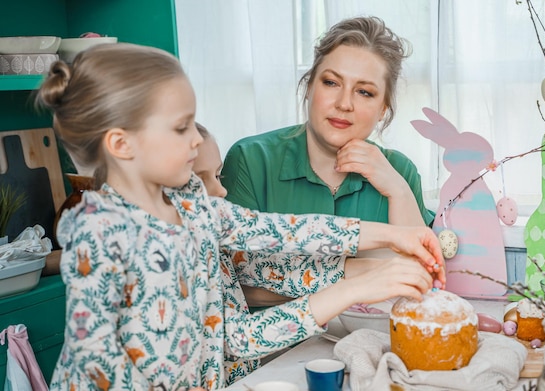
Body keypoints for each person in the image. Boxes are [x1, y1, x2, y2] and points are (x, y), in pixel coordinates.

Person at [37, 42, 444, 390]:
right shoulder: (99, 233)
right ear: (122, 144)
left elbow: (280, 233)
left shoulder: (192, 204)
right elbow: (97, 362)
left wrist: (391, 236)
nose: (198, 138)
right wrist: (359, 278)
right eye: (182, 128)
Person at [221, 16, 435, 306]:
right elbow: (236, 284)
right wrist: (358, 279)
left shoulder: (401, 172)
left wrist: (397, 189)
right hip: (281, 350)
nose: (344, 103)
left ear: (383, 108)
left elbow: (417, 285)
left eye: (364, 92)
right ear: (309, 86)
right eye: (332, 82)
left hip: (375, 341)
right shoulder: (250, 159)